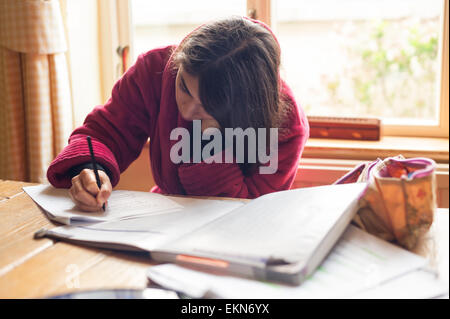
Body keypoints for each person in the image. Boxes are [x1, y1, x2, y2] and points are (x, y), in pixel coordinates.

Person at [46, 16, 310, 212]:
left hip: (236, 238)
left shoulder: (285, 124)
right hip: (163, 216)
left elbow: (251, 210)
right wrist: (90, 168)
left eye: (207, 106)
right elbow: (105, 134)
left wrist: (210, 143)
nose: (186, 109)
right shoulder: (154, 70)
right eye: (184, 87)